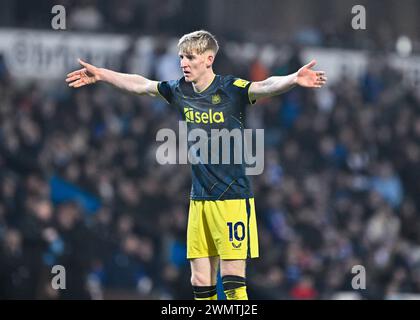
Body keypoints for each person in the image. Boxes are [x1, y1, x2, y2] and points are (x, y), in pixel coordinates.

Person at [66, 30, 327, 300]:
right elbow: (141, 84)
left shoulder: (231, 89)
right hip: (200, 199)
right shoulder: (180, 90)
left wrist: (294, 79)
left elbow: (265, 86)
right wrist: (102, 75)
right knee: (200, 279)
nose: (183, 63)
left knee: (232, 280)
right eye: (181, 57)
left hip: (232, 197)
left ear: (208, 59)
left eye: (190, 57)